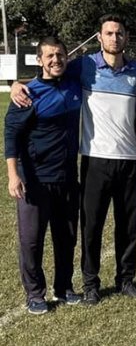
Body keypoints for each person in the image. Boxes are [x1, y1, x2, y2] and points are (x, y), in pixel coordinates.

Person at [13, 14, 136, 305]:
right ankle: (90, 284)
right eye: (109, 33)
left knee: (128, 226)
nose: (115, 38)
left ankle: (125, 280)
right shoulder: (85, 66)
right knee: (91, 227)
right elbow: (50, 71)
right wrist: (17, 83)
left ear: (126, 37)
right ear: (99, 37)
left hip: (129, 159)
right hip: (94, 160)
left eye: (120, 33)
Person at [5, 38, 82, 314]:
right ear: (39, 60)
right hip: (34, 179)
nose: (55, 60)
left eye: (60, 55)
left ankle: (64, 287)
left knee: (67, 236)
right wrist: (13, 175)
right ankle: (35, 294)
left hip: (67, 177)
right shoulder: (28, 94)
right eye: (49, 56)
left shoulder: (74, 83)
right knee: (31, 240)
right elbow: (11, 135)